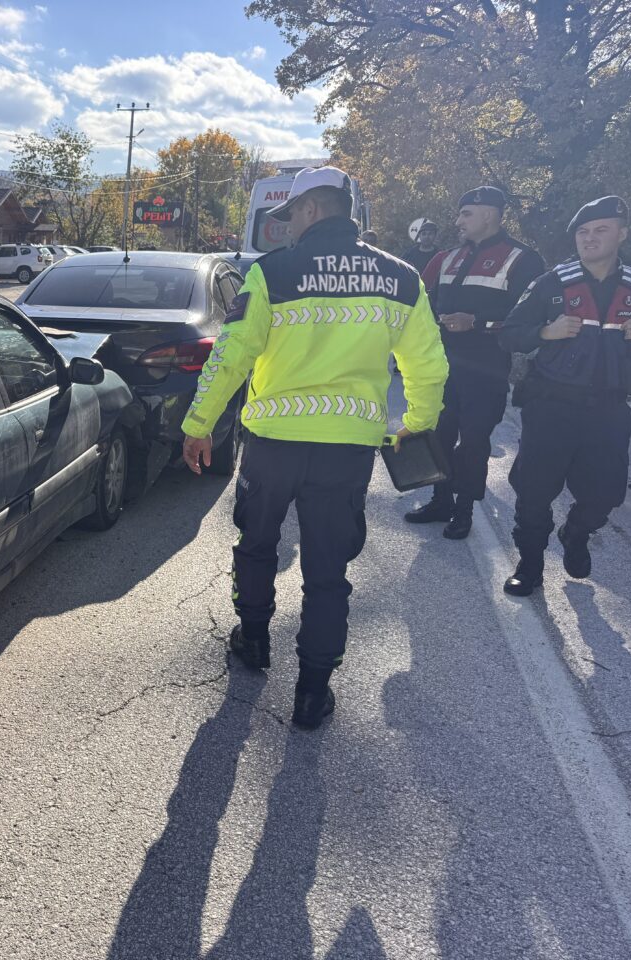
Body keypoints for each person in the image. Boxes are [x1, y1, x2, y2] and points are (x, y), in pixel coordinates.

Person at [181, 166, 448, 729]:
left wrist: (199, 424)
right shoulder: (400, 278)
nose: (286, 227)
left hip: (273, 445)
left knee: (256, 545)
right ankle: (312, 693)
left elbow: (231, 357)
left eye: (289, 216)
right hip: (345, 451)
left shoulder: (271, 273)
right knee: (328, 572)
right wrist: (416, 426)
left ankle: (253, 640)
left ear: (308, 210)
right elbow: (427, 364)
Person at [497, 196, 631, 596]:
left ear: (622, 234)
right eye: (583, 232)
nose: (590, 238)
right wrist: (545, 332)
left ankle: (575, 532)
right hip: (551, 407)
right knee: (533, 492)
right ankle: (529, 566)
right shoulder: (552, 283)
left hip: (609, 410)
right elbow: (509, 333)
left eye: (600, 230)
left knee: (606, 495)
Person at [406, 187, 546, 538]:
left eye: (465, 213)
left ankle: (463, 509)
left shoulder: (523, 258)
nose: (458, 221)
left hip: (486, 369)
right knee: (438, 435)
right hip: (442, 365)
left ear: (489, 214)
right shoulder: (446, 257)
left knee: (473, 441)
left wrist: (478, 322)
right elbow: (421, 300)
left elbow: (528, 319)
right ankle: (440, 500)